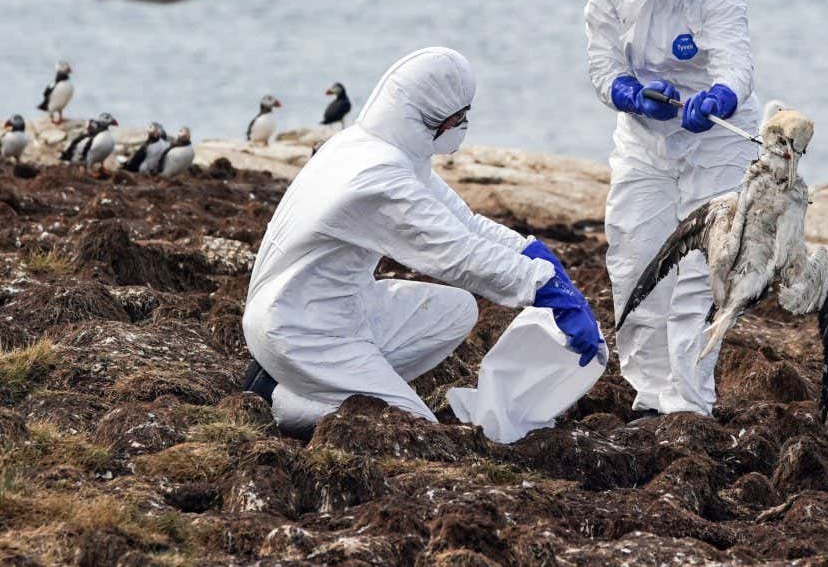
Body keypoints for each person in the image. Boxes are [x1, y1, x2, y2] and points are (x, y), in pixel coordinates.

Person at [242, 47, 604, 441]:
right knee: (413, 433)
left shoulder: (373, 146)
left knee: (457, 310)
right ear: (437, 119)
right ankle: (283, 397)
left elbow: (465, 222)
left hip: (330, 306)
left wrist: (533, 254)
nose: (463, 126)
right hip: (298, 329)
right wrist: (546, 289)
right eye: (460, 118)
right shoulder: (377, 178)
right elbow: (458, 254)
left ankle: (316, 382)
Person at [585, 0, 760, 416]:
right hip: (645, 140)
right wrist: (630, 94)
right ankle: (649, 390)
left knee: (701, 272)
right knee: (635, 258)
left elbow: (735, 60)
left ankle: (688, 400)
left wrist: (719, 97)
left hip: (716, 143)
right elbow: (602, 64)